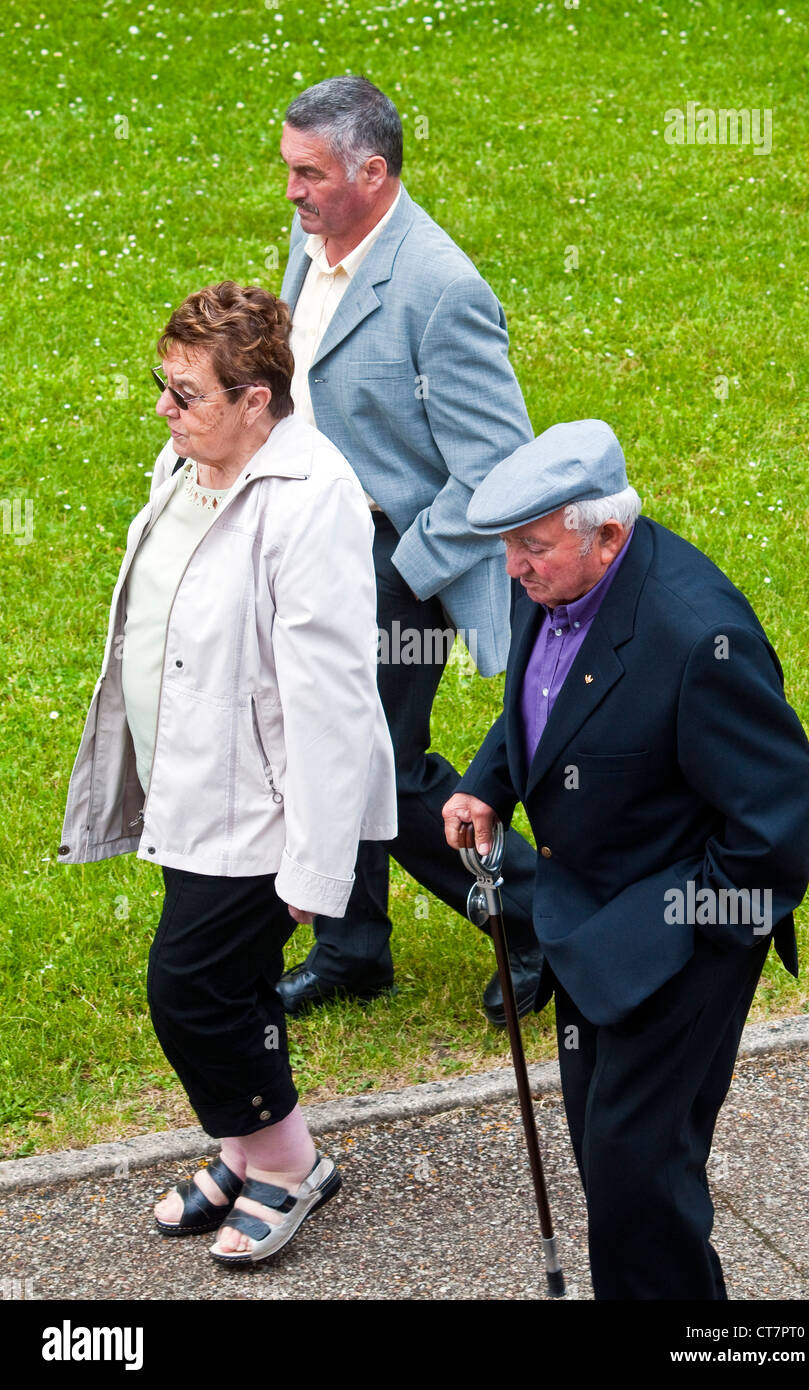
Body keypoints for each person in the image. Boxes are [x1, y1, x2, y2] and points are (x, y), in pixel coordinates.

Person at [58, 281, 396, 1265]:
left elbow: (332, 703)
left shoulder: (313, 502)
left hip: (266, 808)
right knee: (234, 989)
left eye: (186, 394)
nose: (162, 412)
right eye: (163, 388)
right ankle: (242, 1146)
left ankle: (288, 1164)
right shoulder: (193, 456)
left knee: (191, 993)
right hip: (191, 784)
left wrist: (312, 872)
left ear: (258, 399)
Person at [442, 419, 809, 1299]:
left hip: (678, 942)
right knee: (606, 1154)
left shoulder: (695, 641)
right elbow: (541, 701)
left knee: (637, 1175)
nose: (512, 569)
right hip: (584, 923)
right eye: (507, 548)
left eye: (530, 549)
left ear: (607, 534)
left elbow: (772, 837)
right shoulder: (547, 580)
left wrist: (663, 938)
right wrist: (488, 783)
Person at [273, 74, 543, 1026]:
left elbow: (498, 470)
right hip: (314, 544)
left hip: (399, 561)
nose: (293, 192)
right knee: (324, 744)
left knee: (380, 763)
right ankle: (351, 949)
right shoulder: (315, 242)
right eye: (290, 171)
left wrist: (401, 570)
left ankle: (536, 918)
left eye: (309, 174)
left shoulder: (440, 290)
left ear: (372, 172)